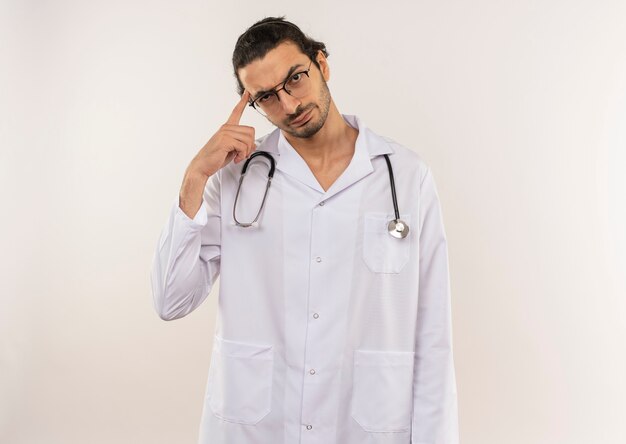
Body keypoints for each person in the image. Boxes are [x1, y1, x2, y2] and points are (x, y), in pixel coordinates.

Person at [151, 16, 459, 444]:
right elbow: (171, 300)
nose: (290, 105)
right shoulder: (236, 177)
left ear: (321, 64)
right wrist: (194, 178)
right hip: (255, 428)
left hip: (366, 427)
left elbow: (433, 335)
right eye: (267, 98)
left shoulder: (405, 176)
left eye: (295, 79)